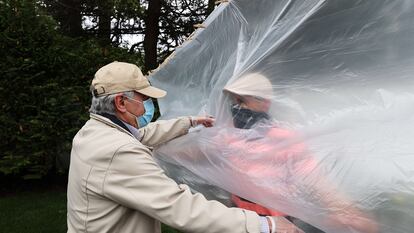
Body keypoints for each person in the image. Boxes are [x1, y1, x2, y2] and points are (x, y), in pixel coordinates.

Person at [66, 61, 304, 233]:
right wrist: (264, 225)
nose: (147, 105)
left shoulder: (94, 132)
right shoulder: (118, 151)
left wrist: (188, 123)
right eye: (143, 99)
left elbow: (142, 135)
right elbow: (179, 207)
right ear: (121, 102)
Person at [221, 73, 378, 233]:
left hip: (277, 224)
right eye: (233, 101)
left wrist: (344, 210)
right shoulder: (227, 135)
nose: (236, 107)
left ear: (265, 103)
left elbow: (313, 177)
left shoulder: (283, 139)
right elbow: (201, 155)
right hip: (238, 220)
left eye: (241, 101)